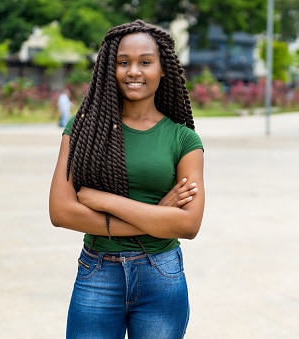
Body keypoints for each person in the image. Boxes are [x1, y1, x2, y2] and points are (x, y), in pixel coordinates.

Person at [48, 20, 205, 339]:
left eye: (145, 62)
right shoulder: (83, 130)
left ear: (163, 68)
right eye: (123, 62)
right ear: (110, 68)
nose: (134, 71)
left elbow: (188, 225)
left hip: (161, 275)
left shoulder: (183, 139)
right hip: (98, 272)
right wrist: (159, 217)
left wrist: (104, 200)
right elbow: (61, 212)